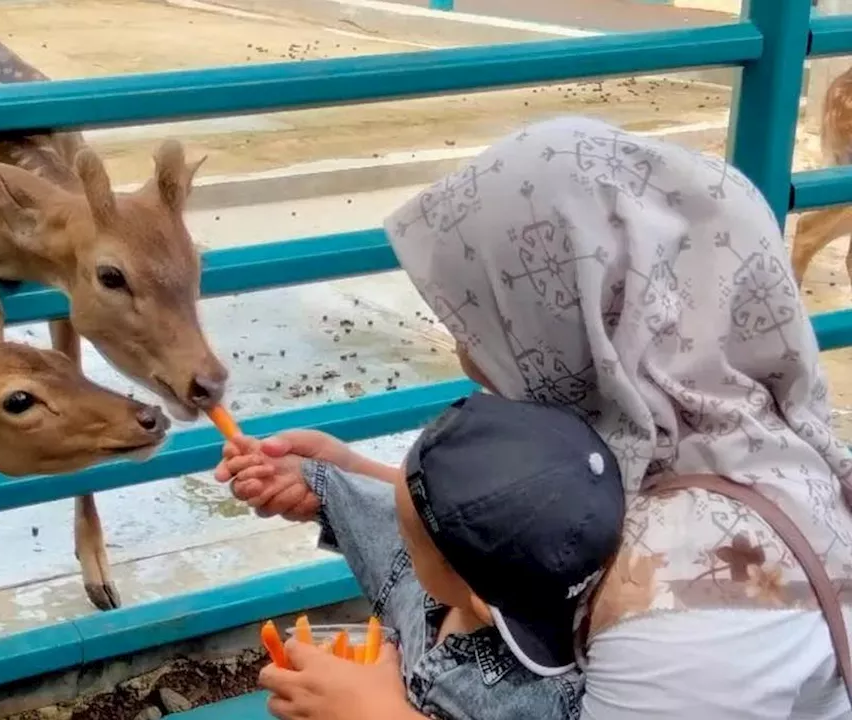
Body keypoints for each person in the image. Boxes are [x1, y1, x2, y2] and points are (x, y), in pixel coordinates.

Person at [221, 115, 852, 719]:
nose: (468, 358)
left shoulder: (696, 607)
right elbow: (519, 534)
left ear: (585, 326)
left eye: (489, 322)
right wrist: (346, 475)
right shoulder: (702, 437)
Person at [219, 391, 624, 720]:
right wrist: (316, 477)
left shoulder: (541, 702)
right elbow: (392, 514)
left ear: (480, 602)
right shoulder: (454, 574)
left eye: (409, 541)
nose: (395, 535)